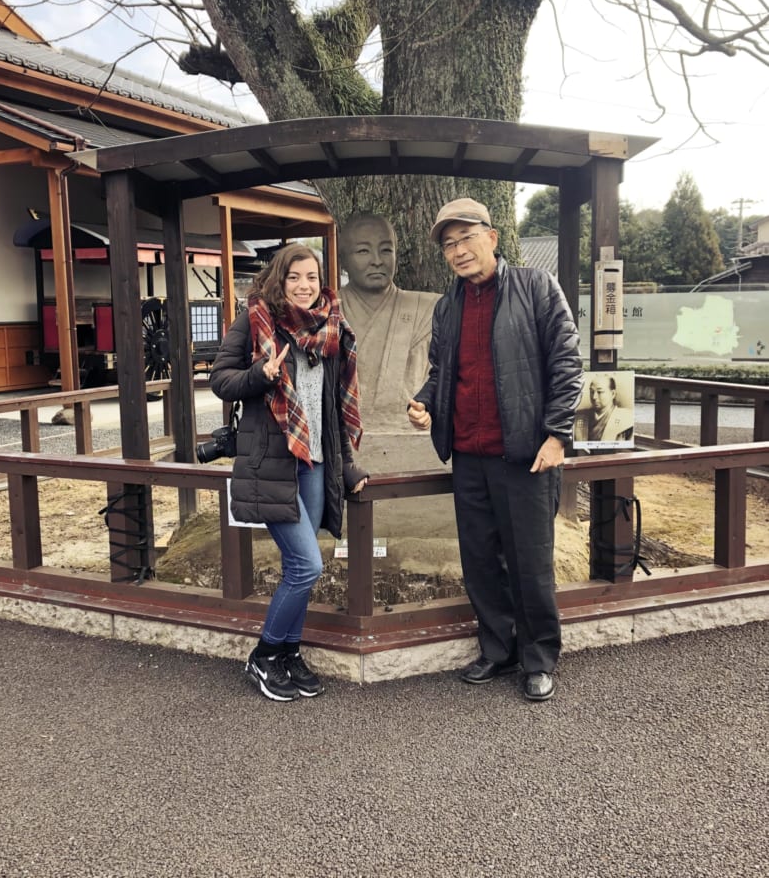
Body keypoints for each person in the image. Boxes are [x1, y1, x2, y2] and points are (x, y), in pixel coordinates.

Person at [407, 197, 583, 702]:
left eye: (466, 238)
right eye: (448, 244)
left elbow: (567, 364)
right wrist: (424, 405)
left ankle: (539, 656)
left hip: (527, 453)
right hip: (468, 454)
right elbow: (442, 374)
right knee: (480, 560)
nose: (458, 251)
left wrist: (556, 434)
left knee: (530, 561)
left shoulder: (536, 287)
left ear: (493, 237)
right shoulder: (448, 307)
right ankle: (497, 649)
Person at [210, 243, 368, 703]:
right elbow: (220, 378)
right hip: (271, 463)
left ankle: (288, 653)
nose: (304, 286)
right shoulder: (255, 320)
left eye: (312, 278)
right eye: (295, 277)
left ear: (323, 283)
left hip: (315, 462)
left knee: (298, 567)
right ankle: (263, 655)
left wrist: (348, 464)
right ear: (279, 279)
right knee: (307, 565)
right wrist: (260, 374)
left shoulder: (331, 330)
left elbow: (334, 408)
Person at [339, 212, 440, 433]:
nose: (377, 260)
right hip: (345, 440)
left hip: (413, 435)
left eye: (386, 249)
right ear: (343, 260)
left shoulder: (430, 309)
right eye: (363, 250)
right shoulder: (328, 311)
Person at [574, 374, 633, 446]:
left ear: (613, 394)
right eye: (592, 392)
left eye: (600, 392)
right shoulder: (579, 416)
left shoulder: (627, 418)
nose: (594, 397)